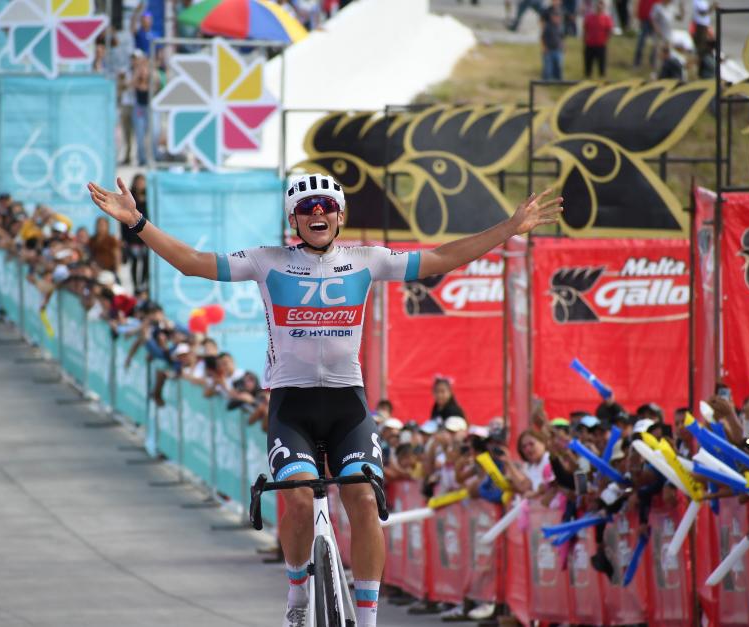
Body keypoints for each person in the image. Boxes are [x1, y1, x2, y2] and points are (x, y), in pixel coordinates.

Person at [87, 172, 562, 627]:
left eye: (327, 206)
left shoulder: (366, 259)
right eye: (307, 208)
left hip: (346, 406)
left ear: (339, 216)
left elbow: (439, 258)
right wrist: (136, 222)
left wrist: (508, 228)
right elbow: (192, 261)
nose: (318, 212)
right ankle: (297, 593)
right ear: (294, 220)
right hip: (291, 406)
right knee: (296, 497)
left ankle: (369, 618)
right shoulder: (265, 260)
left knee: (361, 497)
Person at [121, 173, 150, 292]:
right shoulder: (130, 197)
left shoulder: (150, 197)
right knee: (134, 261)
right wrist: (124, 238)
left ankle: (143, 283)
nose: (140, 184)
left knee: (146, 261)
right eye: (138, 182)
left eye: (142, 182)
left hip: (146, 234)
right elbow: (123, 218)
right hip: (132, 234)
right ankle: (135, 285)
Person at [583, 0, 613, 78]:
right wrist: (585, 40)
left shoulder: (606, 18)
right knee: (588, 67)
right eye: (598, 5)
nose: (599, 7)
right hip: (590, 45)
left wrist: (606, 41)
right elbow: (585, 29)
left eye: (601, 5)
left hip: (600, 46)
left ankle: (601, 83)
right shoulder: (589, 17)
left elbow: (609, 31)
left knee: (601, 68)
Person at [541, 0, 565, 80]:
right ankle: (546, 81)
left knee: (558, 67)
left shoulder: (560, 27)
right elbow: (543, 37)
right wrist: (544, 47)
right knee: (548, 68)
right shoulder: (547, 26)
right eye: (555, 16)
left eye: (558, 16)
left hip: (557, 49)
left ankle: (558, 81)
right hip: (549, 50)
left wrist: (563, 46)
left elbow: (562, 37)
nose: (556, 18)